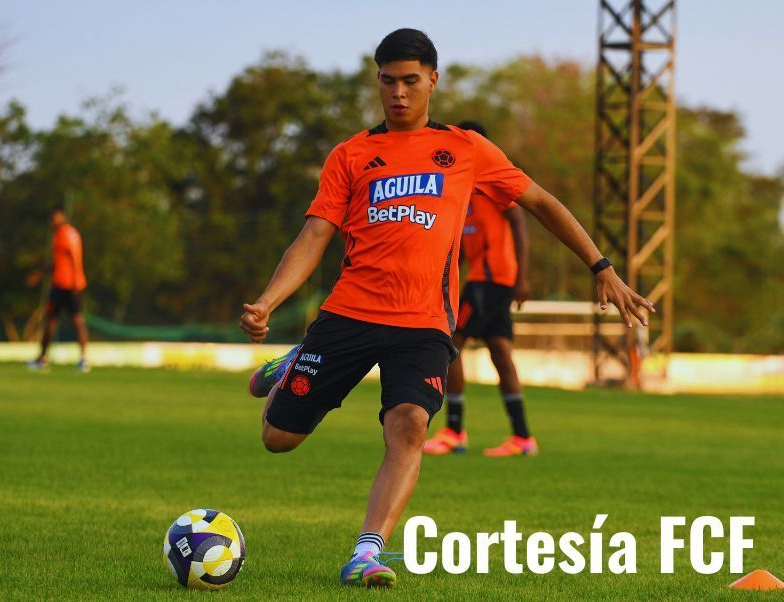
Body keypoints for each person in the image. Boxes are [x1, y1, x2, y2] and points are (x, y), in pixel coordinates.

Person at [241, 28, 653, 589]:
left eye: (411, 81)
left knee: (409, 426)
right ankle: (294, 363)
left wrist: (602, 267)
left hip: (424, 324)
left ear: (433, 79)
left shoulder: (465, 148)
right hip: (349, 317)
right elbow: (314, 235)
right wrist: (267, 301)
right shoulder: (352, 155)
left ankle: (366, 552)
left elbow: (540, 202)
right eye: (388, 81)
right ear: (378, 82)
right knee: (278, 440)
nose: (399, 93)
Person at [423, 121, 536, 458]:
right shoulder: (462, 191)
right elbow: (456, 245)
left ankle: (455, 431)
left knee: (450, 343)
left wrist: (523, 277)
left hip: (491, 281)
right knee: (501, 354)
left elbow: (519, 220)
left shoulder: (493, 184)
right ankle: (522, 437)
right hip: (486, 281)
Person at [27, 207, 90, 373]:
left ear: (61, 218)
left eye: (53, 219)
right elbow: (58, 263)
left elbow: (75, 258)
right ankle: (43, 358)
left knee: (75, 321)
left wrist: (76, 283)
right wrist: (40, 274)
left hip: (68, 286)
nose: (51, 223)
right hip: (62, 285)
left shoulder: (67, 234)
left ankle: (82, 359)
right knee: (53, 321)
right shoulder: (63, 235)